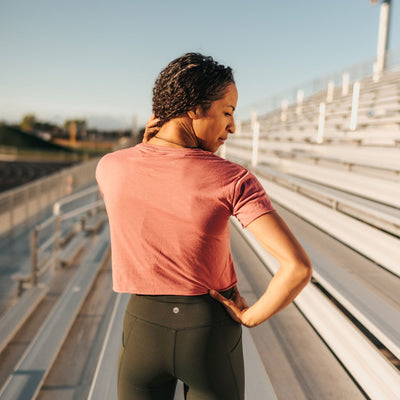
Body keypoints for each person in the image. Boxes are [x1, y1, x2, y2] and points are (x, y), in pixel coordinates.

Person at [96, 52, 312, 400]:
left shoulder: (109, 167)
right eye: (227, 112)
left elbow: (151, 168)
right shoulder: (232, 178)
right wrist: (251, 316)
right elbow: (297, 267)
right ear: (195, 108)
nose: (233, 126)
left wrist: (148, 141)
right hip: (209, 332)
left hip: (141, 329)